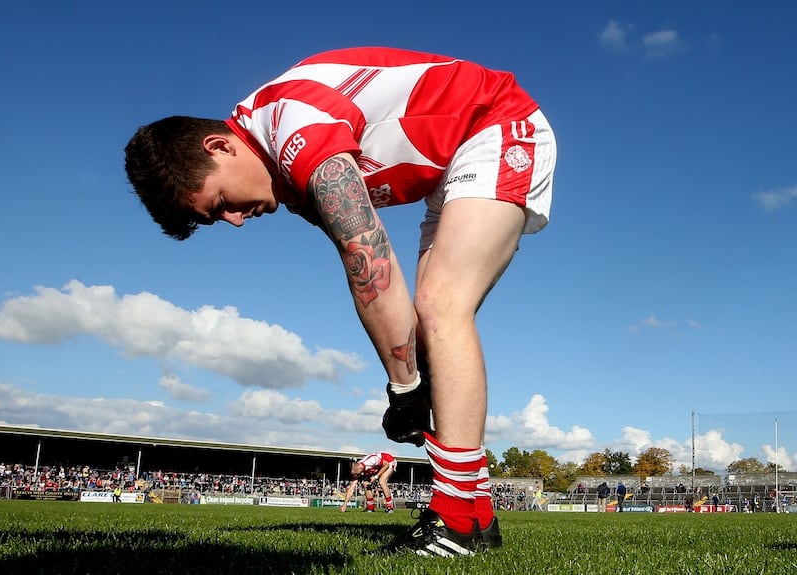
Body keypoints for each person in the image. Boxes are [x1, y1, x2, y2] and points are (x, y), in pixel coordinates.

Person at [125, 47, 556, 558]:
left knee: (442, 305)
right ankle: (474, 516)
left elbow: (368, 259)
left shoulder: (293, 132)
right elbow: (372, 277)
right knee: (426, 326)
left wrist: (406, 391)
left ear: (219, 146)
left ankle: (459, 521)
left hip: (495, 121)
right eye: (219, 219)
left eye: (220, 204)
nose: (235, 221)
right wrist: (410, 386)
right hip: (451, 163)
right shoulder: (289, 179)